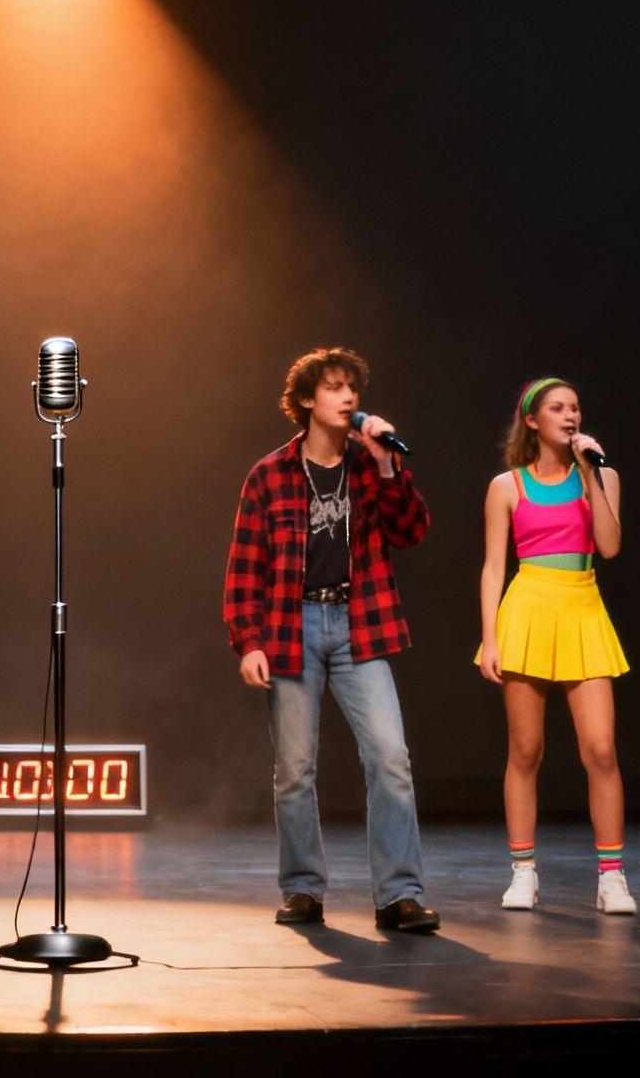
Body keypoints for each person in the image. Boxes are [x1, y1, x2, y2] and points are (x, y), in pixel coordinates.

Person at [223, 347, 439, 933]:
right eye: (335, 388)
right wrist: (248, 640)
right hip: (291, 625)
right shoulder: (269, 475)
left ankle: (398, 895)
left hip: (357, 624)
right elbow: (245, 564)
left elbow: (411, 530)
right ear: (306, 402)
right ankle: (302, 890)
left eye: (353, 389)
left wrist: (389, 466)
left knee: (391, 756)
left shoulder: (371, 465)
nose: (348, 399)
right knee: (295, 768)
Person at [475, 377, 634, 914]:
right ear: (533, 420)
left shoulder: (601, 474)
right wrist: (491, 638)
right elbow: (494, 567)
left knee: (601, 749)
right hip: (528, 609)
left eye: (576, 407)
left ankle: (611, 876)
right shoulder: (506, 486)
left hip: (583, 606)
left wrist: (590, 474)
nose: (570, 415)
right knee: (526, 750)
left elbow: (609, 548)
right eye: (558, 407)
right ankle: (523, 871)